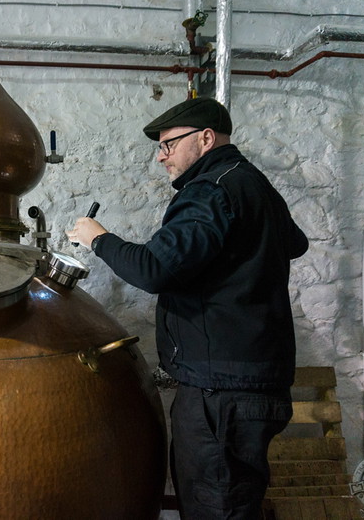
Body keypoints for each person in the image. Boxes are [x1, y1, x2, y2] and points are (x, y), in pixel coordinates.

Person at [67, 97, 308, 519]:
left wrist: (97, 238)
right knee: (235, 502)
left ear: (206, 138)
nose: (162, 157)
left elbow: (155, 268)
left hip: (221, 393)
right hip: (256, 383)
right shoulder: (253, 183)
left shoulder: (210, 190)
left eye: (169, 145)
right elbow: (295, 242)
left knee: (215, 506)